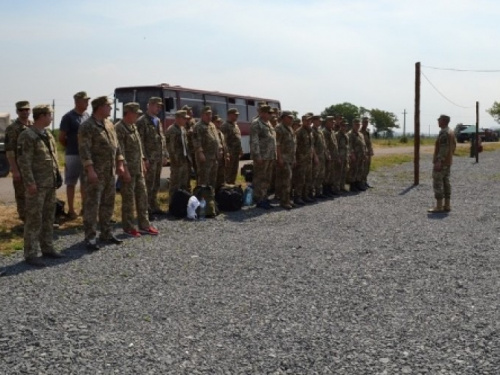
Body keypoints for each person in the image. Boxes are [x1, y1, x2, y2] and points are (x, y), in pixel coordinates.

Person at [17, 104, 63, 267]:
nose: (51, 118)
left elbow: (53, 157)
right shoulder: (27, 136)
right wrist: (29, 183)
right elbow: (24, 162)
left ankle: (47, 248)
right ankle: (31, 253)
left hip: (49, 184)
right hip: (36, 185)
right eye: (49, 115)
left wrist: (57, 175)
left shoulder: (48, 134)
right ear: (41, 116)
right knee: (34, 219)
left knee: (48, 217)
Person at [79, 96, 125, 250]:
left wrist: (120, 163)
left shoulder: (109, 124)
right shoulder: (87, 126)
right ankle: (90, 237)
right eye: (108, 106)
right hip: (95, 173)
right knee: (92, 204)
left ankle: (106, 233)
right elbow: (84, 151)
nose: (111, 108)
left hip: (109, 172)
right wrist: (90, 170)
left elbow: (116, 146)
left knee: (108, 203)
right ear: (99, 107)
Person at [115, 102, 158, 237]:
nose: (137, 116)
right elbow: (120, 151)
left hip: (138, 169)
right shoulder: (120, 128)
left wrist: (143, 161)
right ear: (129, 113)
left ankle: (144, 225)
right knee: (128, 200)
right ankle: (128, 227)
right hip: (128, 170)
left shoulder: (133, 127)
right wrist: (125, 169)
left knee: (142, 197)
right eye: (136, 113)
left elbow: (139, 147)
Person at [58, 91, 90, 219]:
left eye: (88, 101)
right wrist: (70, 145)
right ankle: (71, 210)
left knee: (85, 183)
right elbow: (61, 137)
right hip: (73, 154)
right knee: (71, 183)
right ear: (77, 102)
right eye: (85, 101)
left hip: (85, 155)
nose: (87, 103)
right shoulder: (68, 117)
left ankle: (85, 208)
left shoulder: (87, 116)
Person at [136, 97, 168, 217]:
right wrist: (144, 159)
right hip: (149, 158)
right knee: (148, 184)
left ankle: (154, 205)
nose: (158, 108)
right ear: (149, 105)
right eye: (156, 106)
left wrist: (165, 154)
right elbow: (140, 142)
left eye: (159, 106)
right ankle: (146, 209)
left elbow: (162, 139)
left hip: (158, 158)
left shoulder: (157, 120)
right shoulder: (142, 121)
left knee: (155, 184)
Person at [4, 100, 33, 222]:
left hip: (34, 165)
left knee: (34, 193)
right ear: (17, 111)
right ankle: (25, 221)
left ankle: (34, 220)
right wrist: (15, 170)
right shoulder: (12, 128)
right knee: (22, 194)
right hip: (20, 166)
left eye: (27, 109)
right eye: (22, 110)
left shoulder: (33, 125)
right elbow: (10, 151)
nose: (25, 112)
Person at [192, 106, 222, 217]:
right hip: (205, 158)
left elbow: (216, 140)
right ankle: (201, 205)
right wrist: (200, 153)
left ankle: (211, 203)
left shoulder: (212, 125)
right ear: (202, 115)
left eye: (210, 114)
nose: (209, 116)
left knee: (212, 181)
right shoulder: (198, 126)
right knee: (203, 181)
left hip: (213, 157)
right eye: (207, 114)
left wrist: (219, 150)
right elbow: (196, 141)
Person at [250, 105, 276, 209]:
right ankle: (259, 199)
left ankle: (264, 197)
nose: (271, 115)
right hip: (262, 156)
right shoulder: (256, 124)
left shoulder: (268, 123)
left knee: (267, 178)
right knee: (260, 178)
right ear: (263, 113)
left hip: (269, 156)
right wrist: (257, 155)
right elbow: (254, 141)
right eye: (269, 113)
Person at [428, 114, 456, 213]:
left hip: (442, 162)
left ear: (443, 121)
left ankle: (439, 206)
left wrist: (439, 160)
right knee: (446, 182)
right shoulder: (451, 132)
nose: (438, 121)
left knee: (437, 183)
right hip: (448, 162)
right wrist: (448, 158)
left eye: (439, 120)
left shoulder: (444, 133)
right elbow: (453, 147)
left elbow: (444, 148)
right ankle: (447, 205)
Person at [165, 110, 191, 207]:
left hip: (184, 159)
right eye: (184, 118)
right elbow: (170, 147)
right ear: (178, 118)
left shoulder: (183, 129)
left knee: (184, 183)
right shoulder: (172, 130)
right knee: (175, 183)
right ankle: (173, 204)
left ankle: (183, 203)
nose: (186, 120)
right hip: (177, 161)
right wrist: (175, 160)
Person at [275, 111, 296, 209]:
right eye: (289, 118)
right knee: (285, 180)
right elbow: (277, 145)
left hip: (290, 158)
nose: (291, 119)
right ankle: (284, 201)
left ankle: (287, 199)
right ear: (283, 118)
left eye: (292, 118)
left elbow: (293, 145)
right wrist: (279, 158)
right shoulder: (279, 128)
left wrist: (294, 158)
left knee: (288, 180)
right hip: (283, 158)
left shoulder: (290, 129)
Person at [293, 113, 315, 205]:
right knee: (300, 179)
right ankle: (297, 197)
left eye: (310, 120)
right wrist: (295, 159)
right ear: (303, 121)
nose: (309, 122)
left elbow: (311, 146)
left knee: (307, 178)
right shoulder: (299, 132)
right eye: (307, 120)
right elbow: (294, 147)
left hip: (308, 159)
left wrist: (313, 156)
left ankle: (305, 196)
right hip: (301, 160)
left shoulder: (309, 132)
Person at [220, 108, 243, 184]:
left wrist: (240, 149)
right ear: (229, 115)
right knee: (228, 172)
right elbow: (223, 141)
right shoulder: (225, 126)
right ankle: (226, 188)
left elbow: (238, 138)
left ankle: (232, 186)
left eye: (237, 115)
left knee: (234, 171)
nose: (236, 116)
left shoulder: (235, 125)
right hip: (230, 154)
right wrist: (226, 154)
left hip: (236, 153)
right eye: (235, 115)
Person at [347, 118, 367, 192]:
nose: (358, 126)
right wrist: (352, 154)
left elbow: (363, 145)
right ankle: (352, 185)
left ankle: (358, 183)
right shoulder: (350, 134)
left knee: (360, 169)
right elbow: (349, 145)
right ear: (353, 125)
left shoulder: (360, 134)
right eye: (356, 124)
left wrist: (365, 153)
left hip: (361, 155)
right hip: (354, 156)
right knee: (353, 170)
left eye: (359, 125)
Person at [311, 115, 329, 199]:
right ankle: (312, 193)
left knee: (321, 175)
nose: (320, 122)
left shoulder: (320, 131)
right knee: (315, 175)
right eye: (318, 120)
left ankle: (319, 192)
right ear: (314, 121)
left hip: (322, 156)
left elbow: (324, 144)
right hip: (316, 157)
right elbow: (312, 146)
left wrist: (326, 153)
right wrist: (315, 156)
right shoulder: (312, 131)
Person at [322, 116, 340, 196]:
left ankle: (330, 189)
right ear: (326, 122)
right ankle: (325, 190)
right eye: (330, 122)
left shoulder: (332, 132)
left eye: (333, 122)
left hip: (334, 155)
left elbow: (335, 144)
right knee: (327, 173)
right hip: (328, 156)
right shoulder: (324, 132)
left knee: (332, 173)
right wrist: (327, 155)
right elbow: (325, 145)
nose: (332, 123)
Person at [213, 114, 230, 191]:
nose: (219, 123)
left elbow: (224, 145)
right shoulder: (212, 132)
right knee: (214, 178)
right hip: (215, 158)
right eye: (217, 122)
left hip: (222, 158)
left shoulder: (220, 133)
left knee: (221, 177)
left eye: (220, 122)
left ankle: (220, 193)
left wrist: (227, 155)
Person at [336, 119, 350, 193]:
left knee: (344, 172)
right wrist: (338, 157)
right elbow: (336, 147)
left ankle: (342, 186)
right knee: (339, 172)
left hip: (345, 156)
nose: (345, 127)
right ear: (340, 126)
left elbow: (347, 146)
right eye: (343, 125)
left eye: (346, 126)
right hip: (340, 156)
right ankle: (337, 188)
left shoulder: (346, 134)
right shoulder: (337, 135)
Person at [361, 116, 374, 188]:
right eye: (365, 122)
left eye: (367, 122)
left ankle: (365, 181)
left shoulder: (367, 132)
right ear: (362, 123)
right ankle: (361, 182)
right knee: (362, 168)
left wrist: (371, 150)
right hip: (363, 153)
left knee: (367, 168)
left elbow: (369, 142)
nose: (366, 123)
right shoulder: (360, 132)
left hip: (368, 152)